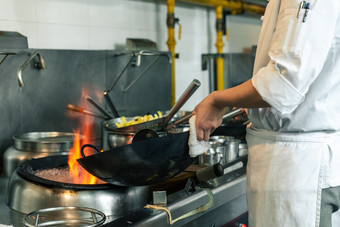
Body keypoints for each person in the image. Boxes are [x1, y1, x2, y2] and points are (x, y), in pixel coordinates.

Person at [192, 0, 340, 226]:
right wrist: (256, 103)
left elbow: (283, 84)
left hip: (297, 170)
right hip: (297, 163)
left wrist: (217, 100)